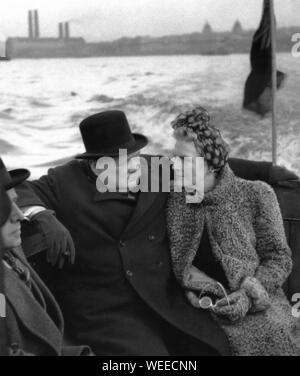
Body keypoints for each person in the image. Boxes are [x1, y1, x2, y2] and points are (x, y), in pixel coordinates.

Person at [17, 110, 299, 356]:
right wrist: (41, 215)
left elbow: (204, 163)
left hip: (163, 297)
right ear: (95, 165)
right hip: (106, 308)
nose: (134, 167)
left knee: (216, 347)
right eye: (120, 162)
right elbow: (15, 188)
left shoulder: (149, 171)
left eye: (134, 156)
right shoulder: (65, 182)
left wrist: (268, 170)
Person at [166, 106, 300, 356]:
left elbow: (279, 258)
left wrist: (249, 295)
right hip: (195, 309)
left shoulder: (256, 195)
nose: (173, 165)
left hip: (257, 305)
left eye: (182, 159)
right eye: (173, 157)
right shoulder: (174, 198)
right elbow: (131, 167)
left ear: (209, 164)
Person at [0, 158, 91, 356]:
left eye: (16, 203)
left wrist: (41, 214)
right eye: (5, 208)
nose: (20, 215)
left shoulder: (11, 252)